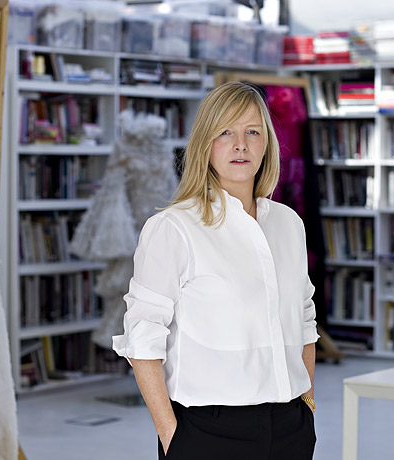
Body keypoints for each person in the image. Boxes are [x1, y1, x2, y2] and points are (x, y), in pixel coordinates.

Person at [112, 81, 319, 460]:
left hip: (291, 427)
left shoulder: (288, 223)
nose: (240, 144)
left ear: (267, 144)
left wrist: (306, 402)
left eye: (252, 132)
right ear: (204, 144)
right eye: (225, 132)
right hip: (207, 432)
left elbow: (305, 318)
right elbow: (142, 339)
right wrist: (171, 435)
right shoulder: (173, 228)